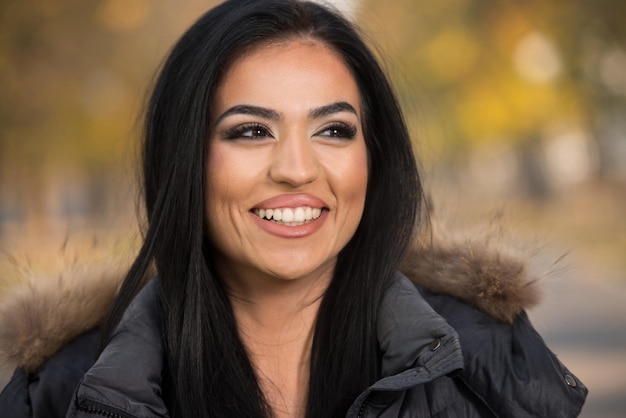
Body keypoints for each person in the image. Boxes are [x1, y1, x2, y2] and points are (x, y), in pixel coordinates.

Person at [0, 0, 588, 417]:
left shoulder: (485, 362)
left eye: (334, 129)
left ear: (373, 157)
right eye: (252, 130)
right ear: (183, 160)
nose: (298, 169)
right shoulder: (62, 392)